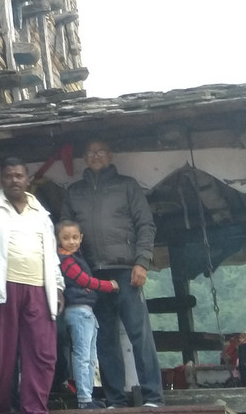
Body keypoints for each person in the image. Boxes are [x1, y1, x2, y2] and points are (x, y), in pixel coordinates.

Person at [61, 141, 163, 408]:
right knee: (104, 339)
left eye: (100, 151)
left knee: (139, 335)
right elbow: (63, 238)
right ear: (84, 157)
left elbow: (146, 225)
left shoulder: (128, 186)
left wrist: (142, 262)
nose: (95, 155)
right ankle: (114, 399)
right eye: (90, 152)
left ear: (110, 155)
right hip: (93, 277)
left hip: (127, 271)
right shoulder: (74, 192)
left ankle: (153, 397)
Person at [0, 158, 65, 414]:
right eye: (9, 176)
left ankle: (34, 409)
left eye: (19, 175)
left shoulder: (41, 214)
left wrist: (59, 287)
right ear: (2, 180)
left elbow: (51, 255)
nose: (14, 180)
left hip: (39, 291)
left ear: (28, 179)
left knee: (42, 354)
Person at [57, 219, 120, 409]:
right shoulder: (66, 260)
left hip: (86, 312)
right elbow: (84, 280)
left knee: (91, 357)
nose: (72, 241)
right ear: (58, 240)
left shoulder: (75, 257)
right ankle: (84, 400)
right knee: (83, 356)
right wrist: (109, 286)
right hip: (78, 312)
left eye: (75, 237)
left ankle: (88, 395)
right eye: (66, 238)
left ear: (81, 238)